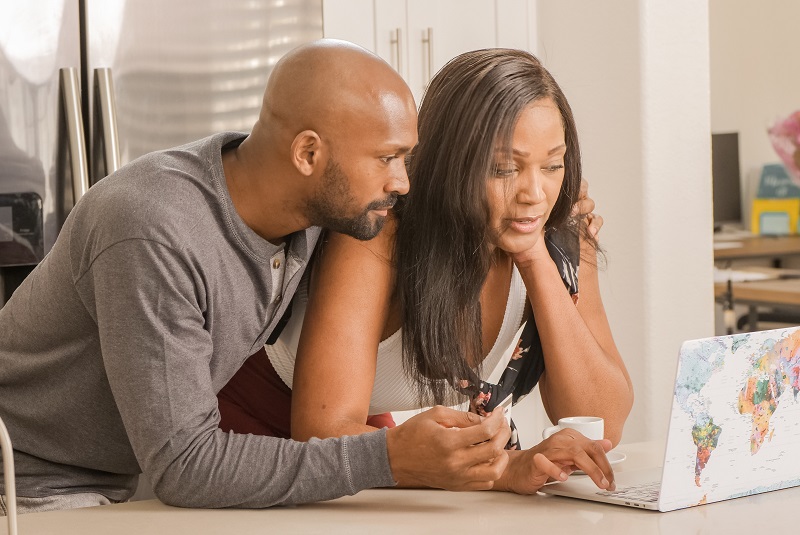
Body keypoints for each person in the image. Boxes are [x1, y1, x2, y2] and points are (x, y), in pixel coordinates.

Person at [0, 40, 514, 515]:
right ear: (308, 154)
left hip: (119, 482)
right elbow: (186, 467)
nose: (401, 182)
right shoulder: (154, 229)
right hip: (24, 484)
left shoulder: (309, 211)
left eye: (406, 158)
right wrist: (386, 457)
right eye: (386, 159)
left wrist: (541, 215)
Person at [218, 48, 634, 494]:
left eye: (553, 164)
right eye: (504, 169)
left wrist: (535, 260)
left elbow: (603, 422)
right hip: (248, 425)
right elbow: (320, 431)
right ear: (449, 164)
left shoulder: (562, 235)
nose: (535, 192)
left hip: (357, 432)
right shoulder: (381, 232)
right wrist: (501, 470)